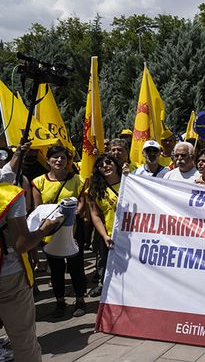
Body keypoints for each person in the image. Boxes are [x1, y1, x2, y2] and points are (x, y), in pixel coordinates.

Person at [0, 180, 60, 362]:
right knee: (23, 340)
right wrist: (44, 229)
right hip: (8, 277)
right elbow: (22, 244)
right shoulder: (9, 194)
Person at [31, 145, 87, 318]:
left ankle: (80, 300)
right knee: (56, 269)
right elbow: (38, 207)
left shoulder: (78, 179)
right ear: (47, 160)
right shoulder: (38, 182)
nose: (59, 161)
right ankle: (60, 302)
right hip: (50, 233)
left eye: (63, 157)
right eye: (55, 157)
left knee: (76, 267)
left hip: (73, 232)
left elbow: (82, 201)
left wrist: (76, 211)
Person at [87, 155, 121, 297]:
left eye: (109, 162)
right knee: (109, 267)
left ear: (116, 165)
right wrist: (104, 236)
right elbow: (95, 215)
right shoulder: (96, 190)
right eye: (101, 165)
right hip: (110, 235)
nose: (105, 166)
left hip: (132, 234)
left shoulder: (130, 182)